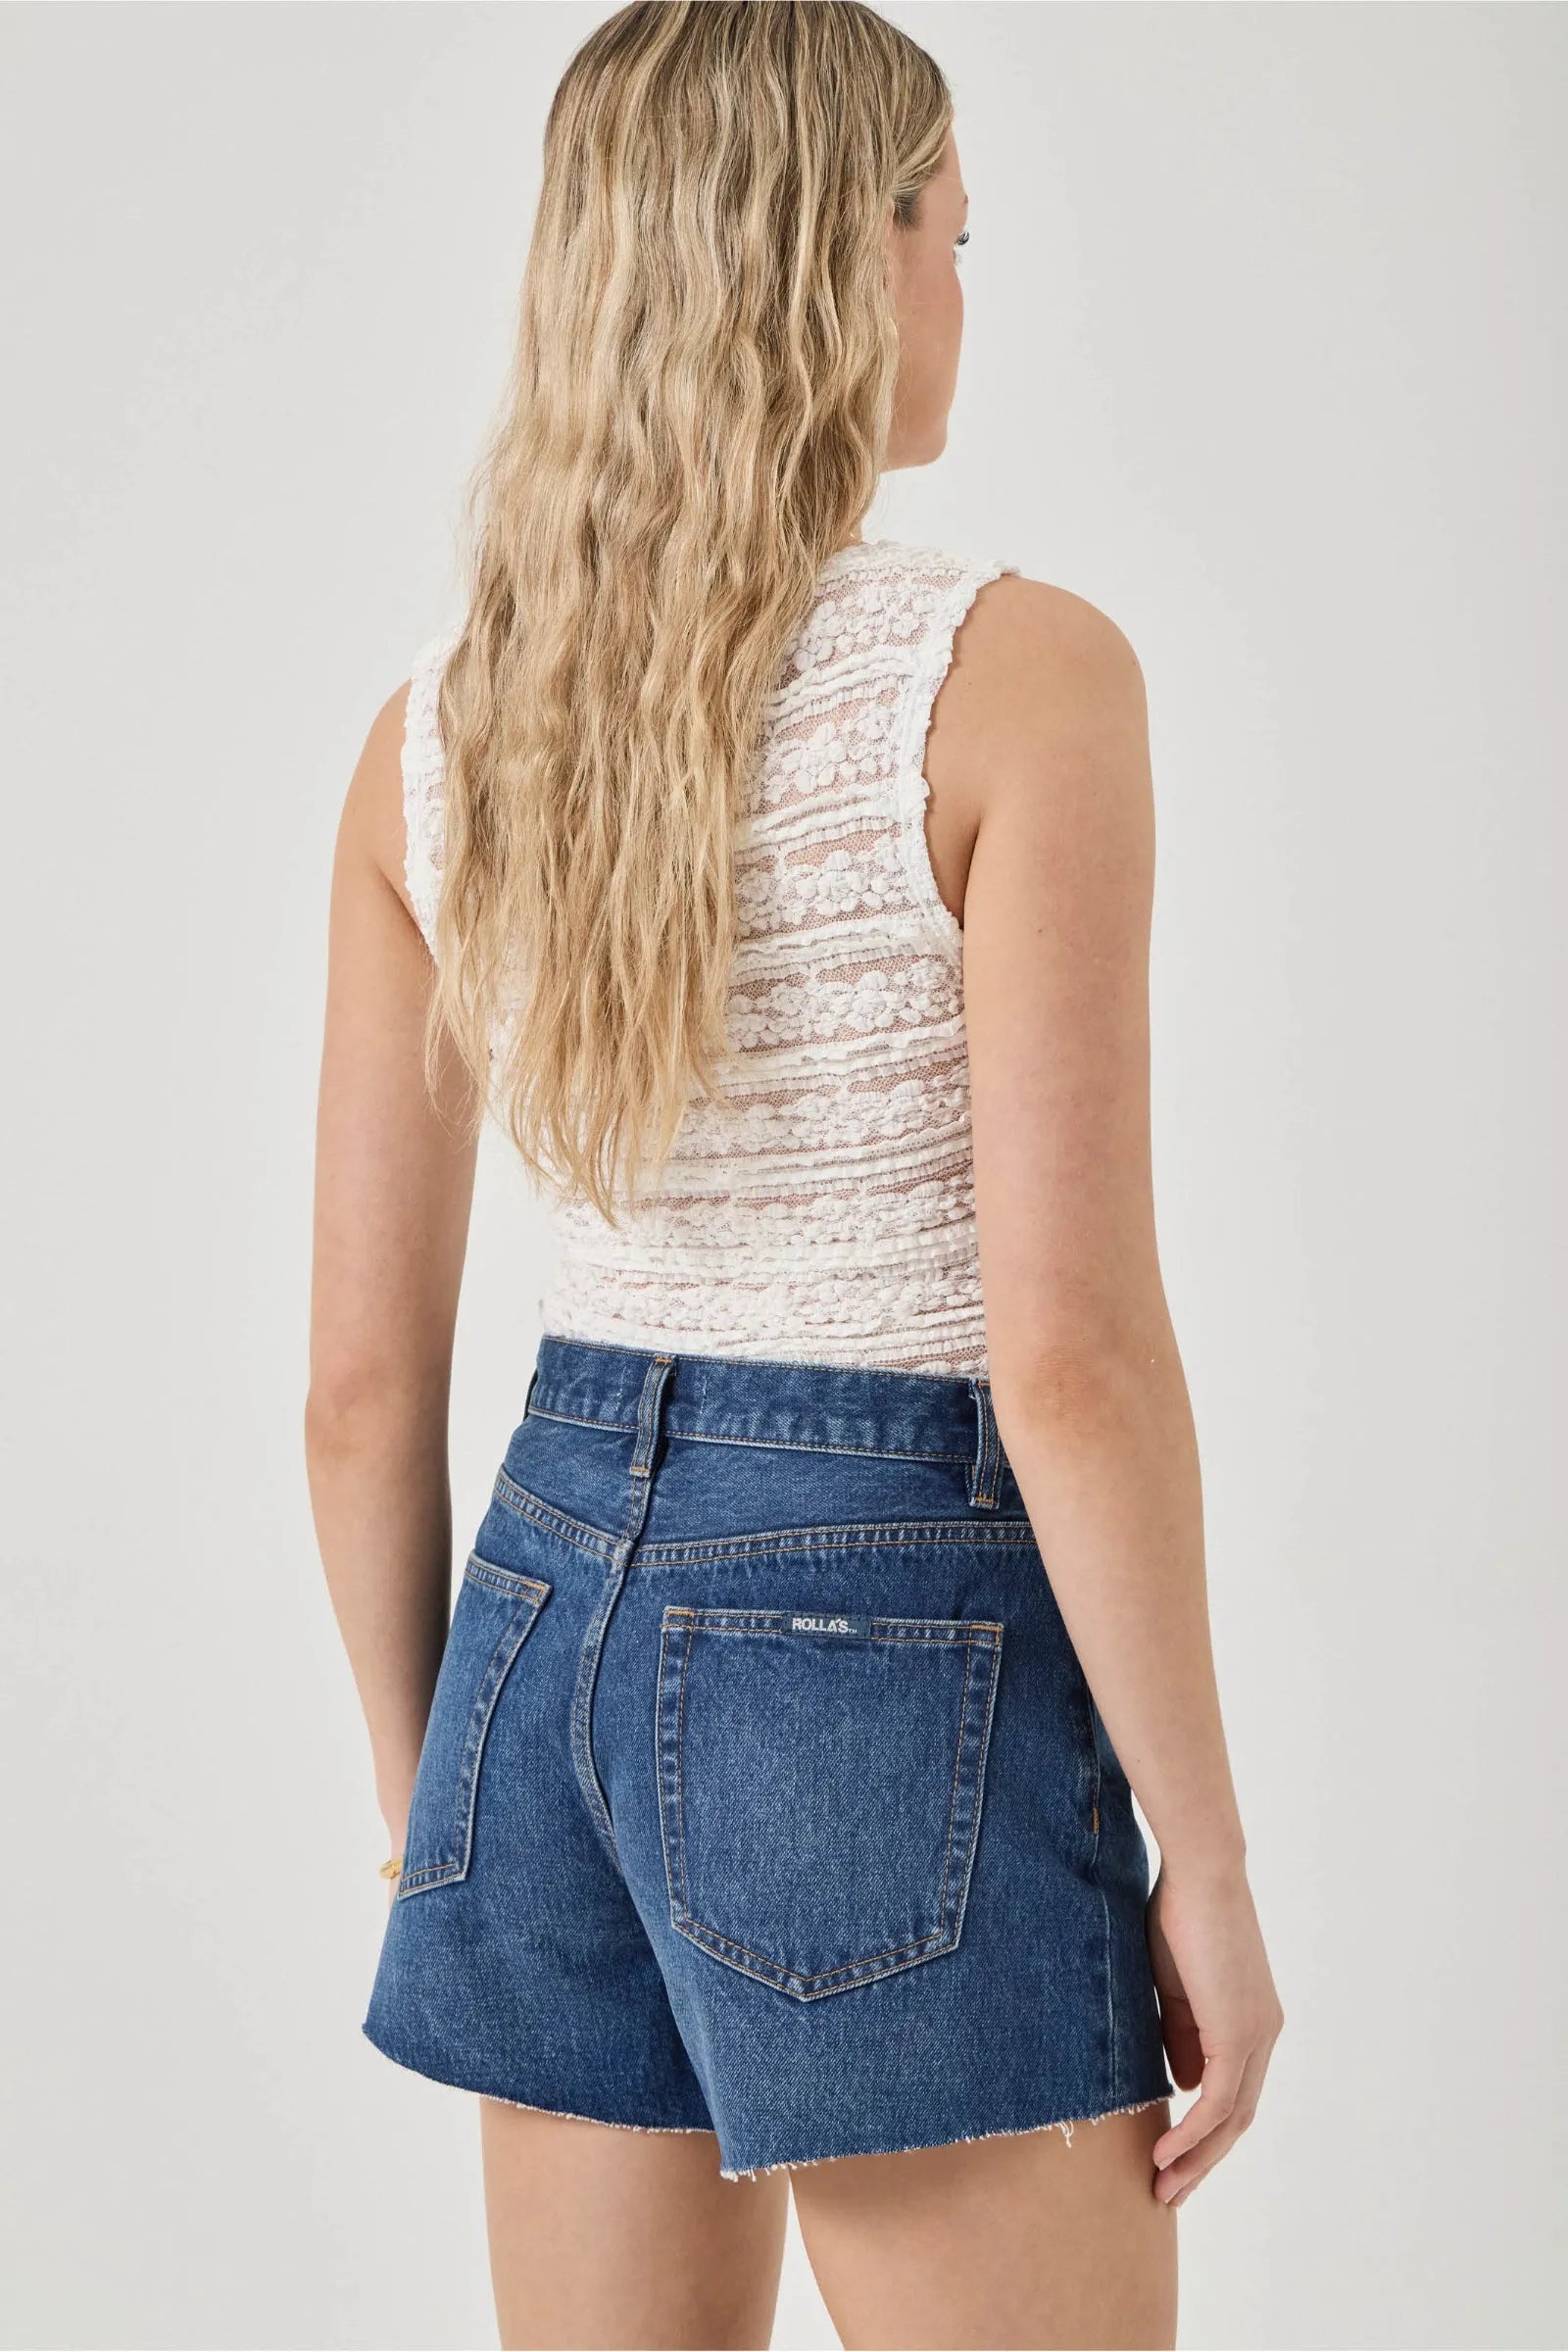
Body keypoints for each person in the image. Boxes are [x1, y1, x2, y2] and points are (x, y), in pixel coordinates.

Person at [306, 5, 1283, 2345]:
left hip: (526, 1642)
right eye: (949, 226)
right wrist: (1211, 1864)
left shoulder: (437, 739)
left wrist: (435, 1795)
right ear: (833, 258)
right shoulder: (1013, 680)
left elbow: (354, 1387)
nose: (967, 277)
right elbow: (1062, 1351)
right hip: (878, 1640)